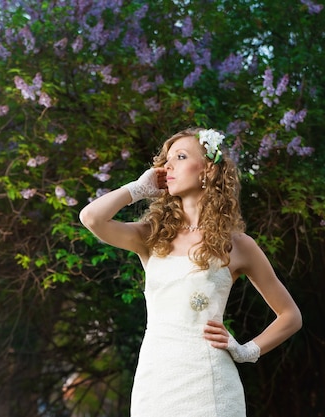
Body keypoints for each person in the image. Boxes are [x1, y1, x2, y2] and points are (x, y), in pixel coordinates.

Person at [79, 127, 302, 416]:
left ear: (207, 170)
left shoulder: (238, 245)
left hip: (209, 384)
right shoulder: (151, 236)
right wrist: (137, 188)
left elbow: (291, 316)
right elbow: (91, 218)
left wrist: (247, 351)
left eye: (180, 157)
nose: (167, 166)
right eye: (166, 160)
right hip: (155, 381)